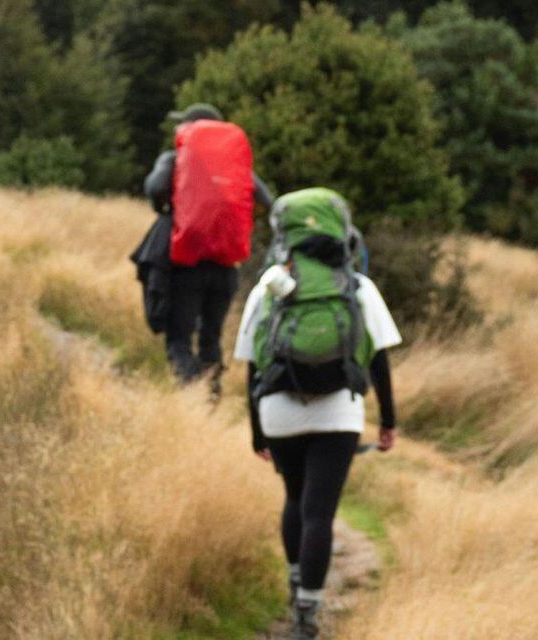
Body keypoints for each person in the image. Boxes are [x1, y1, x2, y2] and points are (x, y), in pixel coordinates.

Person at [233, 188, 399, 639]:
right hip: (339, 414)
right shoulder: (358, 288)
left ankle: (294, 583)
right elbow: (379, 360)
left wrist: (257, 434)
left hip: (277, 412)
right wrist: (387, 420)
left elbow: (253, 367)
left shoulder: (269, 286)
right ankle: (307, 614)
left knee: (294, 497)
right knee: (319, 512)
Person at [143, 103, 275, 386]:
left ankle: (191, 395)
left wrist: (165, 208)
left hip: (185, 263)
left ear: (190, 128)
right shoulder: (237, 167)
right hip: (226, 267)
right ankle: (212, 396)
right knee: (210, 337)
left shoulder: (176, 158)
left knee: (179, 338)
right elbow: (269, 202)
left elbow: (154, 187)